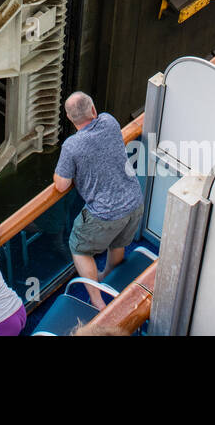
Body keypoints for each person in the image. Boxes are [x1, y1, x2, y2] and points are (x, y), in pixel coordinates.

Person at [53, 91, 144, 308]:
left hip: (105, 213)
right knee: (118, 241)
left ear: (69, 118)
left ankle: (97, 301)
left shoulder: (71, 147)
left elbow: (62, 184)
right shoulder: (109, 121)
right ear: (93, 110)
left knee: (79, 247)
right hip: (134, 201)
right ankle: (110, 275)